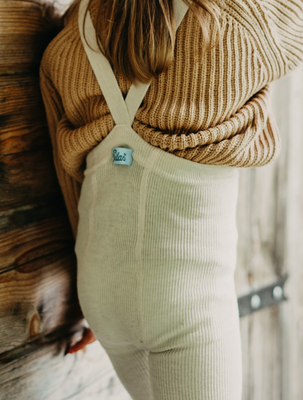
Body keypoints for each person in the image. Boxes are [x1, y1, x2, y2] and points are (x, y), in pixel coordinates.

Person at [40, 0, 303, 398]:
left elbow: (69, 180)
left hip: (100, 287)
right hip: (187, 294)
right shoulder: (233, 22)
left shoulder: (67, 40)